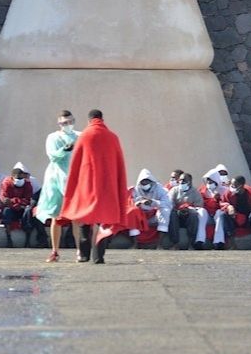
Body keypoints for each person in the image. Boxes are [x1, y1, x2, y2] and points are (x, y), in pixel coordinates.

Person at [59, 109, 128, 264]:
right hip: (107, 186)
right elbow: (119, 165)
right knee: (103, 220)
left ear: (89, 120)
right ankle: (99, 256)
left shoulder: (84, 136)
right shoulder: (113, 137)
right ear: (102, 119)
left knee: (85, 219)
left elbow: (75, 164)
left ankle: (84, 255)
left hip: (87, 185)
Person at [35, 110, 79, 262]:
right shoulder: (53, 137)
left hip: (75, 179)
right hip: (56, 179)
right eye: (64, 123)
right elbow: (53, 156)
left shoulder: (80, 136)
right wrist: (66, 148)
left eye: (70, 121)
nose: (68, 125)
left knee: (77, 217)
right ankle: (55, 251)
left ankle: (80, 250)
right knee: (56, 215)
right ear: (59, 124)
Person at [128, 168, 172, 248]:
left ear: (151, 181)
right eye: (143, 182)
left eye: (147, 181)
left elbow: (168, 203)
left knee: (165, 211)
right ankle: (135, 244)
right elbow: (131, 203)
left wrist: (153, 202)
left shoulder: (159, 189)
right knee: (132, 211)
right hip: (140, 217)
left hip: (154, 216)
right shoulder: (135, 190)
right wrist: (138, 203)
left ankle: (159, 244)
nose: (145, 184)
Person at [220, 175, 251, 244]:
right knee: (223, 214)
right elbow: (222, 203)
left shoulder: (250, 193)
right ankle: (231, 242)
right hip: (235, 218)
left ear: (241, 186)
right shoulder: (229, 193)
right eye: (231, 185)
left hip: (248, 220)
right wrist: (228, 206)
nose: (232, 187)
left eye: (234, 185)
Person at [0, 163, 34, 248]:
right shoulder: (6, 183)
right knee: (6, 211)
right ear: (12, 177)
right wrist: (16, 203)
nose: (19, 180)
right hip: (11, 208)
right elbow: (4, 199)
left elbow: (28, 199)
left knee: (28, 211)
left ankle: (27, 240)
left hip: (22, 208)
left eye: (21, 178)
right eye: (17, 178)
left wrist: (16, 202)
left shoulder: (27, 184)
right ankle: (8, 238)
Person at [168, 172, 207, 250]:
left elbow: (199, 206)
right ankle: (175, 243)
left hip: (189, 214)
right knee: (172, 214)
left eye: (184, 180)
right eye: (180, 180)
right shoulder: (174, 190)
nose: (182, 182)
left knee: (194, 216)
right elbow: (169, 203)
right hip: (177, 214)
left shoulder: (195, 192)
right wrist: (178, 209)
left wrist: (188, 209)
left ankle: (191, 244)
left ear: (190, 182)